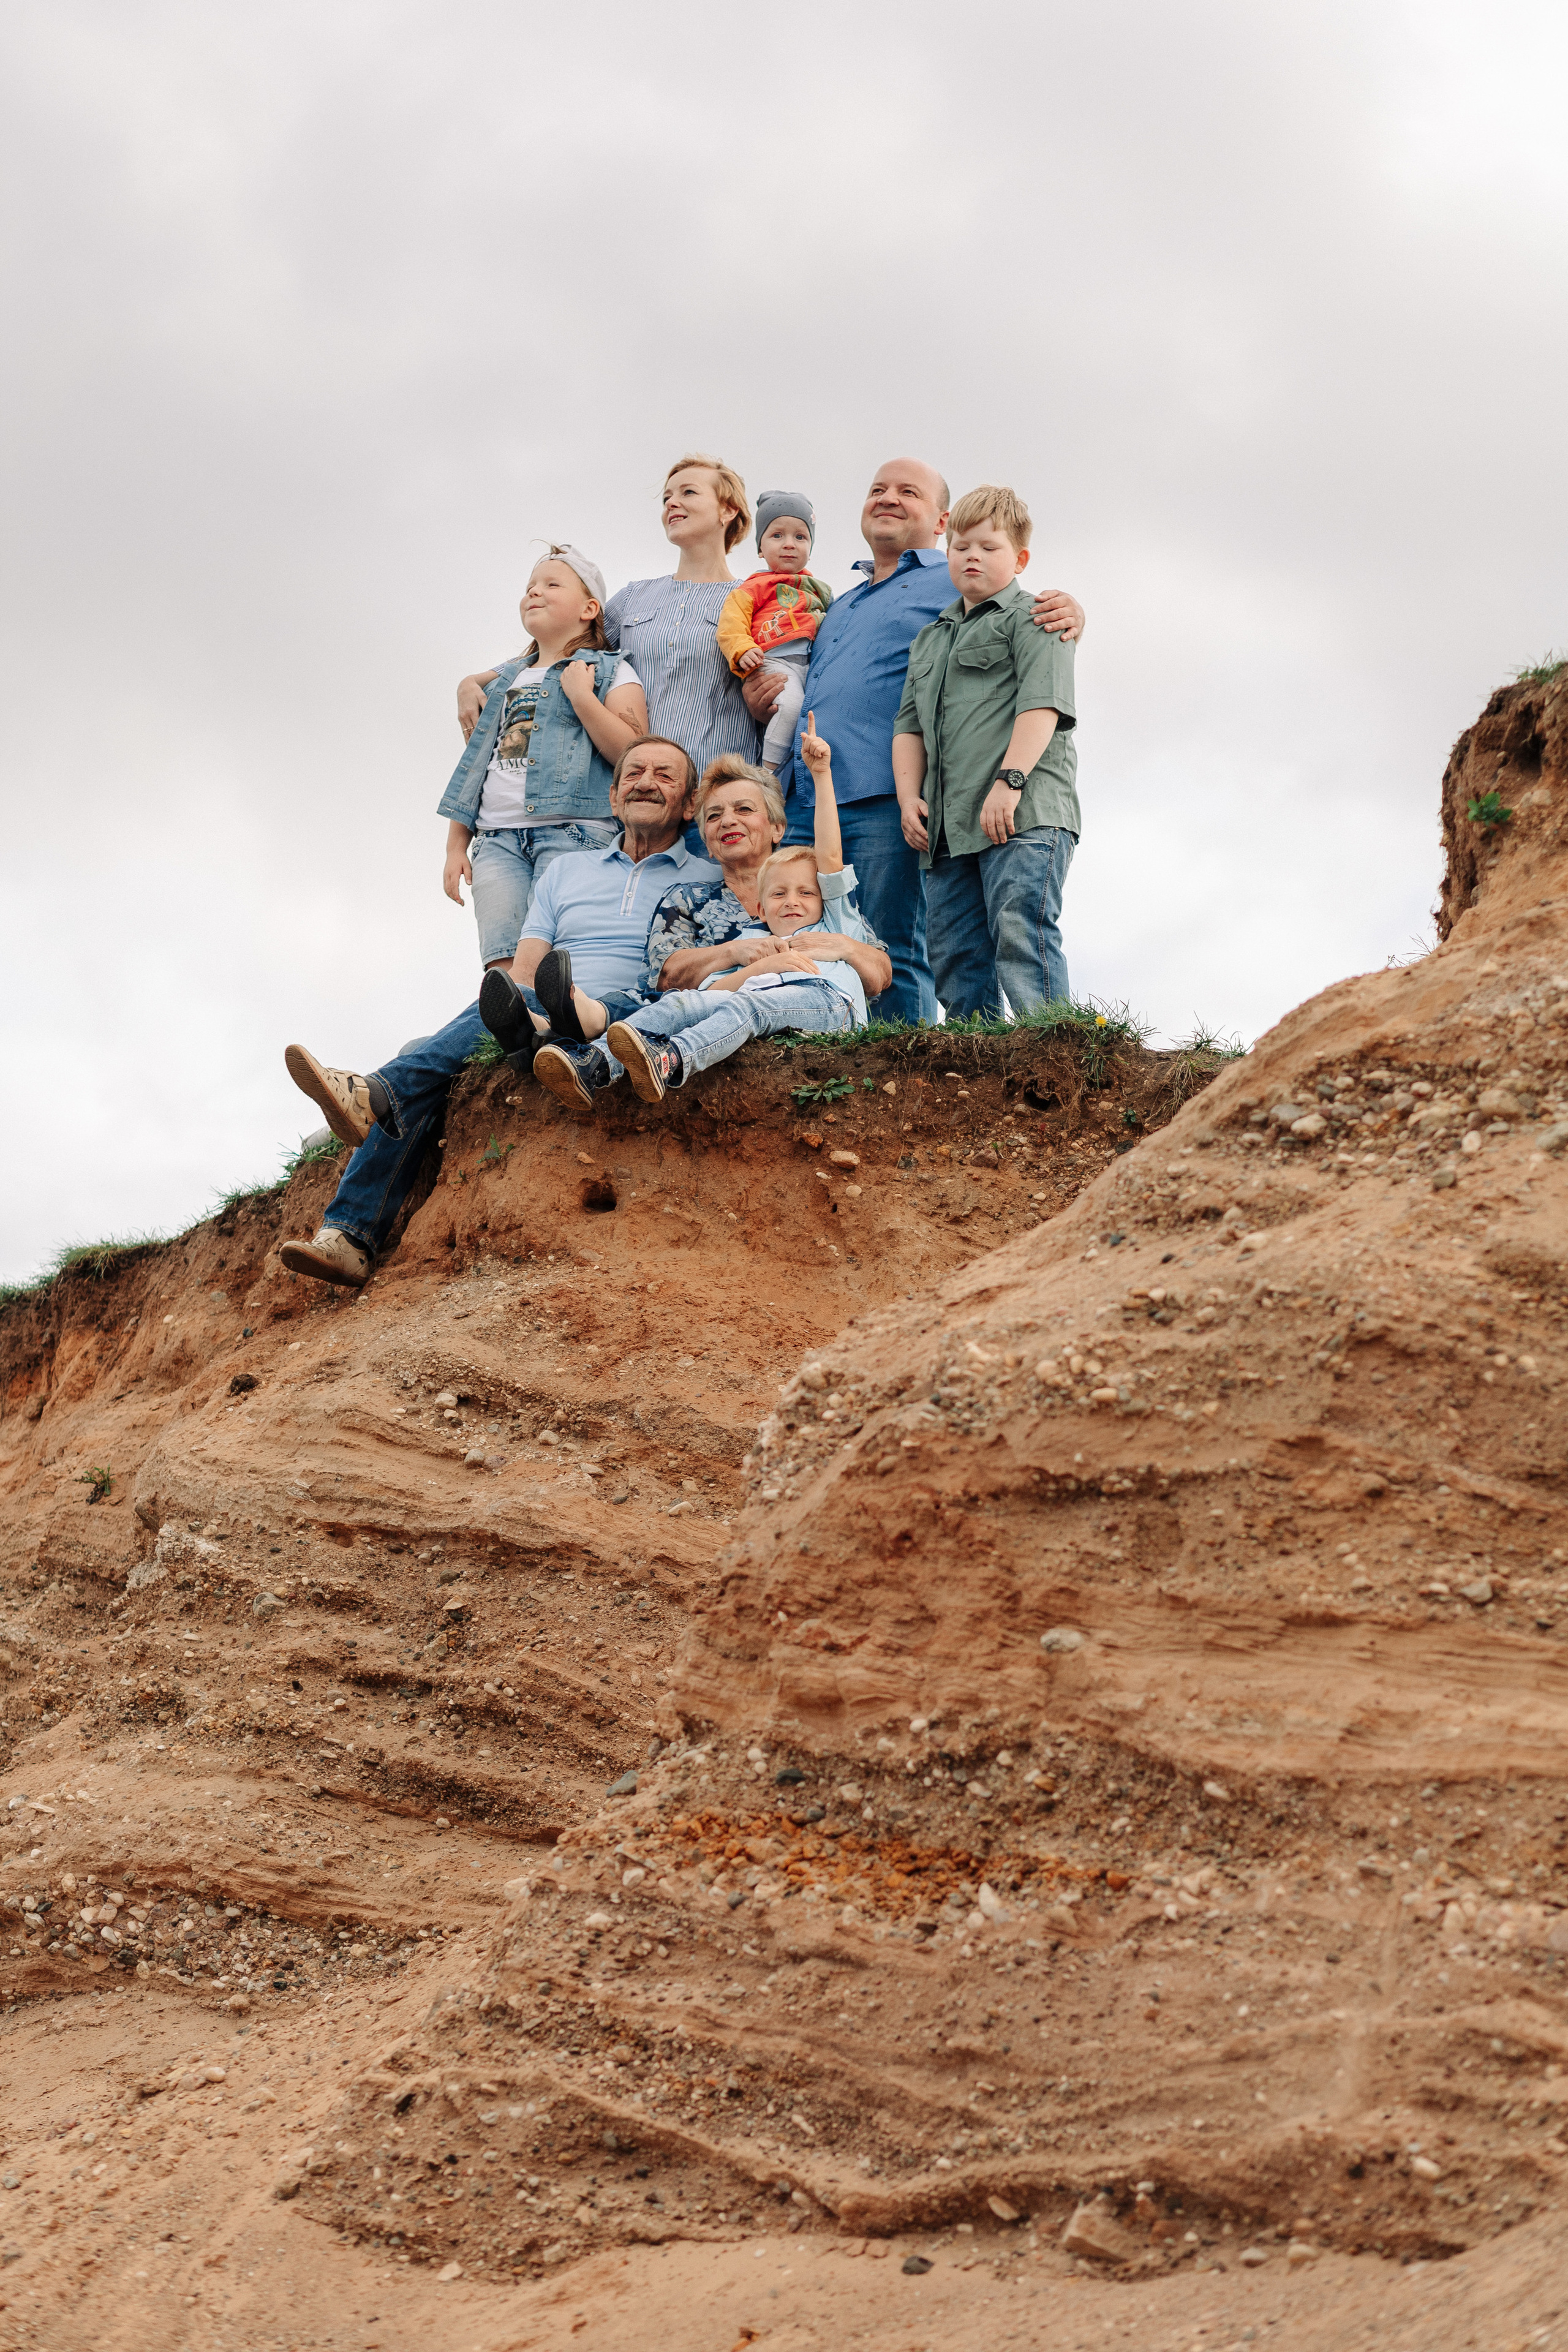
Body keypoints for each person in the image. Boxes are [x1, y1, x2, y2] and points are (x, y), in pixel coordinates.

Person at [277, 737, 715, 1288]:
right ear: (613, 792)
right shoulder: (566, 872)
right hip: (541, 1007)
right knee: (484, 1017)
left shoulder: (708, 877)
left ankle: (371, 1109)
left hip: (622, 1017)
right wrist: (533, 1004)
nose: (646, 781)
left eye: (665, 775)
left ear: (690, 803)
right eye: (634, 772)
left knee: (427, 1066)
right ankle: (345, 1240)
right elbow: (527, 972)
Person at [742, 458, 1085, 1024]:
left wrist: (1071, 611)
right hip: (813, 797)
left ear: (940, 521)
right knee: (799, 934)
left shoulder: (954, 579)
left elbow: (1032, 630)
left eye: (908, 491)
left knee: (897, 944)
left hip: (887, 799)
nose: (888, 498)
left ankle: (905, 1071)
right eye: (877, 489)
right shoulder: (841, 604)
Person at [608, 715, 880, 1101]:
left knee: (748, 1006)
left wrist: (821, 775)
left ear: (776, 827)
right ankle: (594, 1061)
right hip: (744, 1004)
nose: (728, 821)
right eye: (714, 815)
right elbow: (697, 988)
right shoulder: (743, 924)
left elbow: (832, 857)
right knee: (684, 1004)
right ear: (759, 909)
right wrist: (754, 963)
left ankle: (671, 1058)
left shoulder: (825, 905)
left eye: (744, 810)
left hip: (823, 1004)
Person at [455, 456, 761, 783]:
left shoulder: (753, 600)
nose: (672, 502)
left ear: (727, 511)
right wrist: (476, 680)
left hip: (714, 795)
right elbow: (570, 648)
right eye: (667, 497)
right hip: (637, 796)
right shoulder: (634, 597)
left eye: (688, 493)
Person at [893, 486, 1078, 1020]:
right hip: (949, 830)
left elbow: (1043, 705)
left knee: (1022, 933)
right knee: (955, 955)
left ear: (1019, 559)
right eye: (961, 546)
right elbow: (908, 727)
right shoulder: (929, 639)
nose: (972, 556)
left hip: (1022, 815)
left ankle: (1052, 1055)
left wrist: (1010, 782)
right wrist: (910, 798)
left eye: (989, 548)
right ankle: (979, 1073)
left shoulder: (1039, 616)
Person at [437, 546, 647, 970]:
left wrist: (582, 698)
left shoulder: (611, 671)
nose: (535, 593)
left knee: (553, 962)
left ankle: (554, 1037)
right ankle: (504, 1037)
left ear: (590, 608)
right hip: (497, 839)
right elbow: (478, 765)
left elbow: (632, 752)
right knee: (502, 963)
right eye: (530, 587)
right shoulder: (506, 681)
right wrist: (456, 845)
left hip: (575, 834)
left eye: (552, 584)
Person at [714, 492, 832, 775]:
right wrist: (742, 649)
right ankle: (768, 774)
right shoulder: (754, 587)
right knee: (790, 707)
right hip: (774, 661)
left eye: (801, 537)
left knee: (814, 718)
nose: (790, 544)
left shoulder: (819, 590)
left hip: (810, 665)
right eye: (777, 535)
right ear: (760, 548)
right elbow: (731, 624)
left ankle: (802, 775)